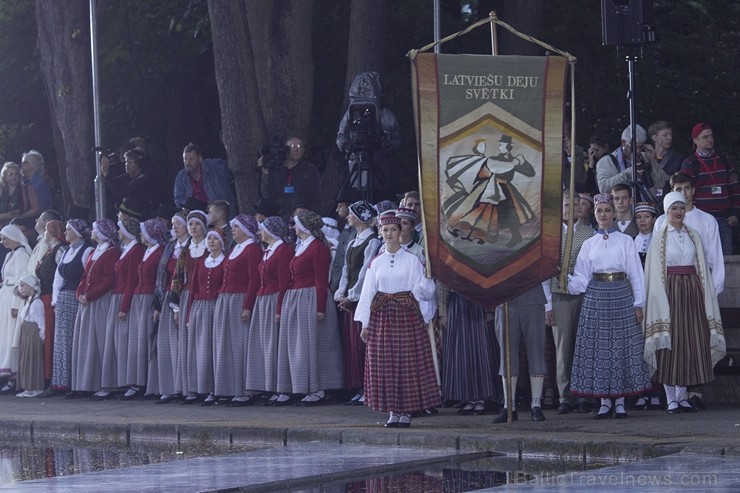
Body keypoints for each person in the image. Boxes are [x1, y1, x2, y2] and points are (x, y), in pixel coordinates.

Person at [567, 193, 652, 419]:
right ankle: (604, 402)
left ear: (613, 213)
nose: (603, 215)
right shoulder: (588, 244)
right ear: (594, 215)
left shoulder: (625, 241)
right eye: (599, 211)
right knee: (601, 349)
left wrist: (638, 303)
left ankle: (621, 401)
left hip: (621, 296)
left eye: (607, 210)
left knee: (621, 348)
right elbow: (581, 279)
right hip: (596, 297)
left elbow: (636, 273)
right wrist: (563, 277)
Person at [643, 192, 725, 414]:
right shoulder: (659, 238)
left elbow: (701, 268)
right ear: (666, 212)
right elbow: (653, 272)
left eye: (681, 208)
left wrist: (703, 293)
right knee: (671, 343)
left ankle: (682, 396)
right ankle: (670, 397)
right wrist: (660, 299)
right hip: (669, 291)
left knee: (689, 342)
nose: (678, 212)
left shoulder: (693, 235)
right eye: (673, 209)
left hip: (691, 291)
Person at [355, 211, 439, 428]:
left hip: (406, 315)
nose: (390, 233)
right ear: (381, 233)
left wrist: (427, 284)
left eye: (394, 229)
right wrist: (365, 323)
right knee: (386, 365)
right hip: (383, 317)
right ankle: (393, 410)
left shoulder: (412, 260)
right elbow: (368, 293)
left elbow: (424, 291)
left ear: (401, 232)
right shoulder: (376, 262)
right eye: (386, 230)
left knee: (406, 363)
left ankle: (407, 410)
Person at [275, 210, 344, 406]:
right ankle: (302, 386)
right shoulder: (301, 246)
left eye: (296, 224)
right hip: (297, 298)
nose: (294, 228)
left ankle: (318, 389)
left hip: (311, 297)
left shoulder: (318, 247)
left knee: (315, 345)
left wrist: (320, 307)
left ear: (304, 226)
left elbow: (321, 280)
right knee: (300, 346)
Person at [551, 192, 595, 415]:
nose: (571, 208)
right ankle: (565, 394)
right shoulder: (552, 233)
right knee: (563, 347)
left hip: (584, 294)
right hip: (559, 294)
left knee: (583, 344)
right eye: (567, 204)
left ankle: (584, 392)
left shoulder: (588, 233)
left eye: (575, 205)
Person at [334, 200, 380, 406]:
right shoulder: (353, 241)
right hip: (350, 299)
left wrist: (352, 295)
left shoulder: (372, 242)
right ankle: (359, 387)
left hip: (362, 299)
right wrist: (341, 293)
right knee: (352, 347)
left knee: (362, 346)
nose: (348, 216)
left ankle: (368, 387)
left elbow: (364, 272)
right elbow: (346, 270)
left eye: (351, 213)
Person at [212, 214, 261, 406]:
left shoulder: (252, 250)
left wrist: (247, 305)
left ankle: (244, 390)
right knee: (225, 345)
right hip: (225, 299)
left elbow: (253, 280)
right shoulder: (234, 248)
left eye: (237, 228)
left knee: (239, 345)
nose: (234, 231)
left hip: (239, 300)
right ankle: (229, 388)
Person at [69, 219, 119, 399]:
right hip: (87, 302)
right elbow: (85, 275)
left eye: (95, 229)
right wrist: (80, 293)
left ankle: (104, 384)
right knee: (85, 343)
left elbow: (109, 279)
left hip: (100, 301)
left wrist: (90, 296)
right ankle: (85, 384)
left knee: (100, 342)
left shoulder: (111, 252)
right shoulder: (94, 252)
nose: (92, 231)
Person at [244, 216, 292, 405]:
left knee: (276, 346)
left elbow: (283, 282)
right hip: (263, 300)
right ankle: (271, 386)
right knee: (265, 346)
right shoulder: (267, 251)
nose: (259, 232)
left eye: (262, 229)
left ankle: (283, 388)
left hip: (273, 300)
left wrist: (279, 308)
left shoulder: (282, 250)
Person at [43, 219, 93, 397]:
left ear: (77, 233)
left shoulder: (86, 250)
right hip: (63, 299)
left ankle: (74, 382)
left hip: (76, 298)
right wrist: (55, 301)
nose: (65, 233)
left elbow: (88, 275)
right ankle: (59, 382)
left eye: (68, 230)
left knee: (75, 340)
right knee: (61, 342)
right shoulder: (66, 252)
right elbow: (58, 277)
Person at [492, 282, 553, 423]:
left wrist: (549, 303)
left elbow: (544, 270)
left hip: (533, 297)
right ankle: (509, 405)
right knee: (507, 354)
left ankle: (536, 405)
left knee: (536, 351)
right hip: (505, 298)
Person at [679, 122, 740, 255]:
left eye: (711, 136)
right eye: (705, 137)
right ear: (696, 140)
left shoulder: (724, 159)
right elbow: (685, 193)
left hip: (725, 219)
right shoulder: (690, 163)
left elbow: (734, 188)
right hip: (701, 219)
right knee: (701, 257)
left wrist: (735, 212)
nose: (710, 139)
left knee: (726, 258)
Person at [125, 218, 168, 400]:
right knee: (138, 340)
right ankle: (138, 381)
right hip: (139, 298)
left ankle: (150, 383)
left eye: (144, 232)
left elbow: (159, 278)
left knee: (149, 339)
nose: (141, 235)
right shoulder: (146, 251)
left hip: (150, 297)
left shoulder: (159, 252)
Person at [185, 228, 227, 406]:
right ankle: (202, 387)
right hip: (200, 308)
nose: (211, 241)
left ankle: (216, 388)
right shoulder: (202, 263)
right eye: (209, 238)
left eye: (215, 239)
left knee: (215, 349)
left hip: (215, 307)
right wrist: (189, 314)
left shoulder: (226, 261)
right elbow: (194, 289)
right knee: (201, 350)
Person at [152, 211, 190, 404]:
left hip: (183, 297)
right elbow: (161, 276)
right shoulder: (170, 247)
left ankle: (183, 386)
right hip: (167, 297)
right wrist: (158, 304)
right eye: (173, 223)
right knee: (166, 344)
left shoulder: (191, 247)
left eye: (179, 223)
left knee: (181, 343)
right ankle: (168, 386)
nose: (175, 227)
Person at [173, 210, 208, 404]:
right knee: (187, 344)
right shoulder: (185, 250)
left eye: (196, 224)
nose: (193, 228)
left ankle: (205, 386)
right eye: (190, 224)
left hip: (203, 297)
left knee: (203, 343)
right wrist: (176, 307)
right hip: (187, 297)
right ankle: (190, 388)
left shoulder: (210, 246)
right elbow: (177, 278)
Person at [0, 225, 33, 393]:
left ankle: (13, 377)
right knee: (4, 337)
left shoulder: (21, 254)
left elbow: (21, 281)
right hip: (5, 298)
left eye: (5, 237)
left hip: (14, 299)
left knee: (12, 336)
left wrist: (15, 305)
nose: (2, 241)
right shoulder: (9, 255)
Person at [35, 219, 66, 387]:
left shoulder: (59, 250)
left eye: (47, 229)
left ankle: (53, 378)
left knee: (52, 338)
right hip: (44, 298)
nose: (44, 232)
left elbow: (62, 273)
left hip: (51, 299)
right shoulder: (49, 251)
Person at [258, 136, 321, 217]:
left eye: (299, 146)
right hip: (277, 216)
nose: (296, 149)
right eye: (292, 146)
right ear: (285, 150)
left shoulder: (310, 169)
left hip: (301, 218)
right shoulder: (275, 168)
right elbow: (266, 195)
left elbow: (316, 196)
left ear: (303, 151)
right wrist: (265, 173)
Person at [596, 124, 667, 196]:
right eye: (634, 147)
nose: (638, 151)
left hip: (645, 205)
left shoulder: (645, 157)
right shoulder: (606, 161)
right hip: (620, 206)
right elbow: (603, 188)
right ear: (623, 142)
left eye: (641, 147)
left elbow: (661, 183)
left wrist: (653, 161)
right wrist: (628, 174)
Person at [173, 143, 237, 215]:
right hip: (198, 217)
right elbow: (178, 199)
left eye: (191, 159)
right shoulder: (181, 177)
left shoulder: (216, 167)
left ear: (200, 159)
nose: (188, 162)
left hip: (223, 215)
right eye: (185, 159)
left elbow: (234, 172)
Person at [14, 274, 45, 397]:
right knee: (25, 359)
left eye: (23, 286)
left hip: (33, 334)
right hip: (26, 332)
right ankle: (27, 387)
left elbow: (41, 323)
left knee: (32, 359)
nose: (21, 288)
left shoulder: (37, 303)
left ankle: (35, 387)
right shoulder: (28, 301)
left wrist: (42, 338)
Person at [101, 148, 154, 214]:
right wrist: (106, 169)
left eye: (130, 162)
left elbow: (122, 193)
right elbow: (115, 182)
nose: (126, 164)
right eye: (126, 162)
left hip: (141, 215)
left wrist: (106, 173)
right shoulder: (128, 176)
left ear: (139, 164)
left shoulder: (143, 180)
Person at [646, 121, 683, 197]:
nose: (670, 138)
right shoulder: (644, 157)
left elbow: (661, 183)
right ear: (655, 137)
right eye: (665, 135)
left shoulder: (677, 159)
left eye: (670, 135)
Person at [0, 161, 41, 226]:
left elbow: (36, 209)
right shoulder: (1, 190)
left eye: (16, 174)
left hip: (23, 225)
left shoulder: (27, 188)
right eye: (10, 174)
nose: (14, 177)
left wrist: (21, 216)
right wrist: (7, 215)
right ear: (5, 177)